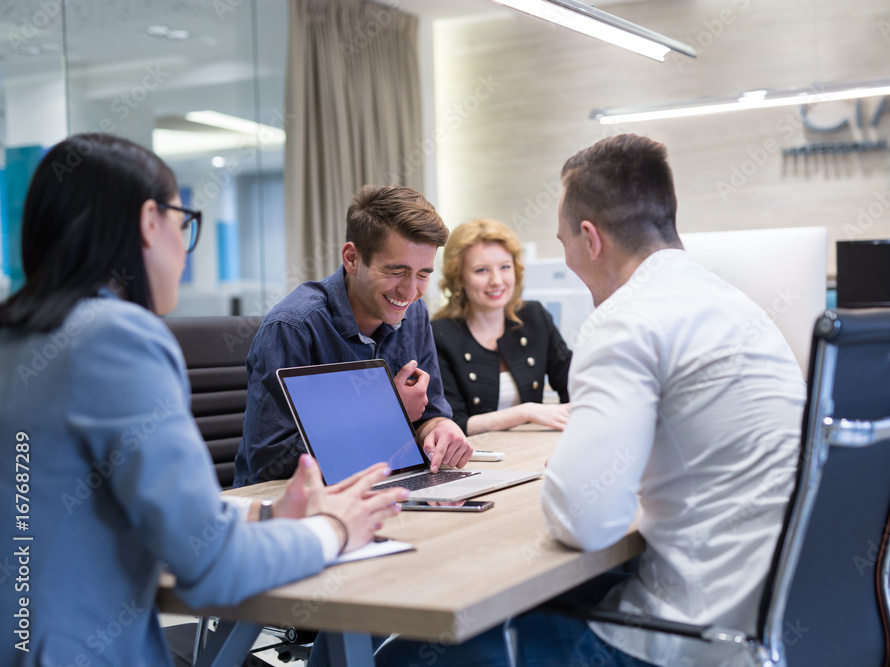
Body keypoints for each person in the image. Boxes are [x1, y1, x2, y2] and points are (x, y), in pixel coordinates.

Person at [376, 134, 806, 667]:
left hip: (689, 639)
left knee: (409, 655)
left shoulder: (626, 319)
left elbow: (585, 519)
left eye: (562, 244)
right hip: (781, 621)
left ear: (590, 237)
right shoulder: (738, 306)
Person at [0, 134, 407, 667]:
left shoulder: (18, 338)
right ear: (151, 222)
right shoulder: (116, 337)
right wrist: (332, 530)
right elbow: (208, 565)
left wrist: (265, 517)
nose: (183, 246)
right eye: (183, 222)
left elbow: (100, 511)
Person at [235, 185, 473, 486]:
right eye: (396, 272)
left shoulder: (415, 314)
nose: (411, 292)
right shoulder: (293, 328)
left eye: (423, 274)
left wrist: (441, 429)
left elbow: (430, 415)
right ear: (352, 258)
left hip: (389, 488)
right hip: (295, 507)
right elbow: (272, 465)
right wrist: (385, 413)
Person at [431, 218, 572, 435]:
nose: (497, 280)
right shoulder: (438, 335)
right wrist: (525, 413)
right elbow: (452, 423)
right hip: (472, 461)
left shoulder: (534, 317)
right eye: (481, 270)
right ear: (458, 278)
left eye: (505, 267)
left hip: (531, 452)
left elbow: (572, 385)